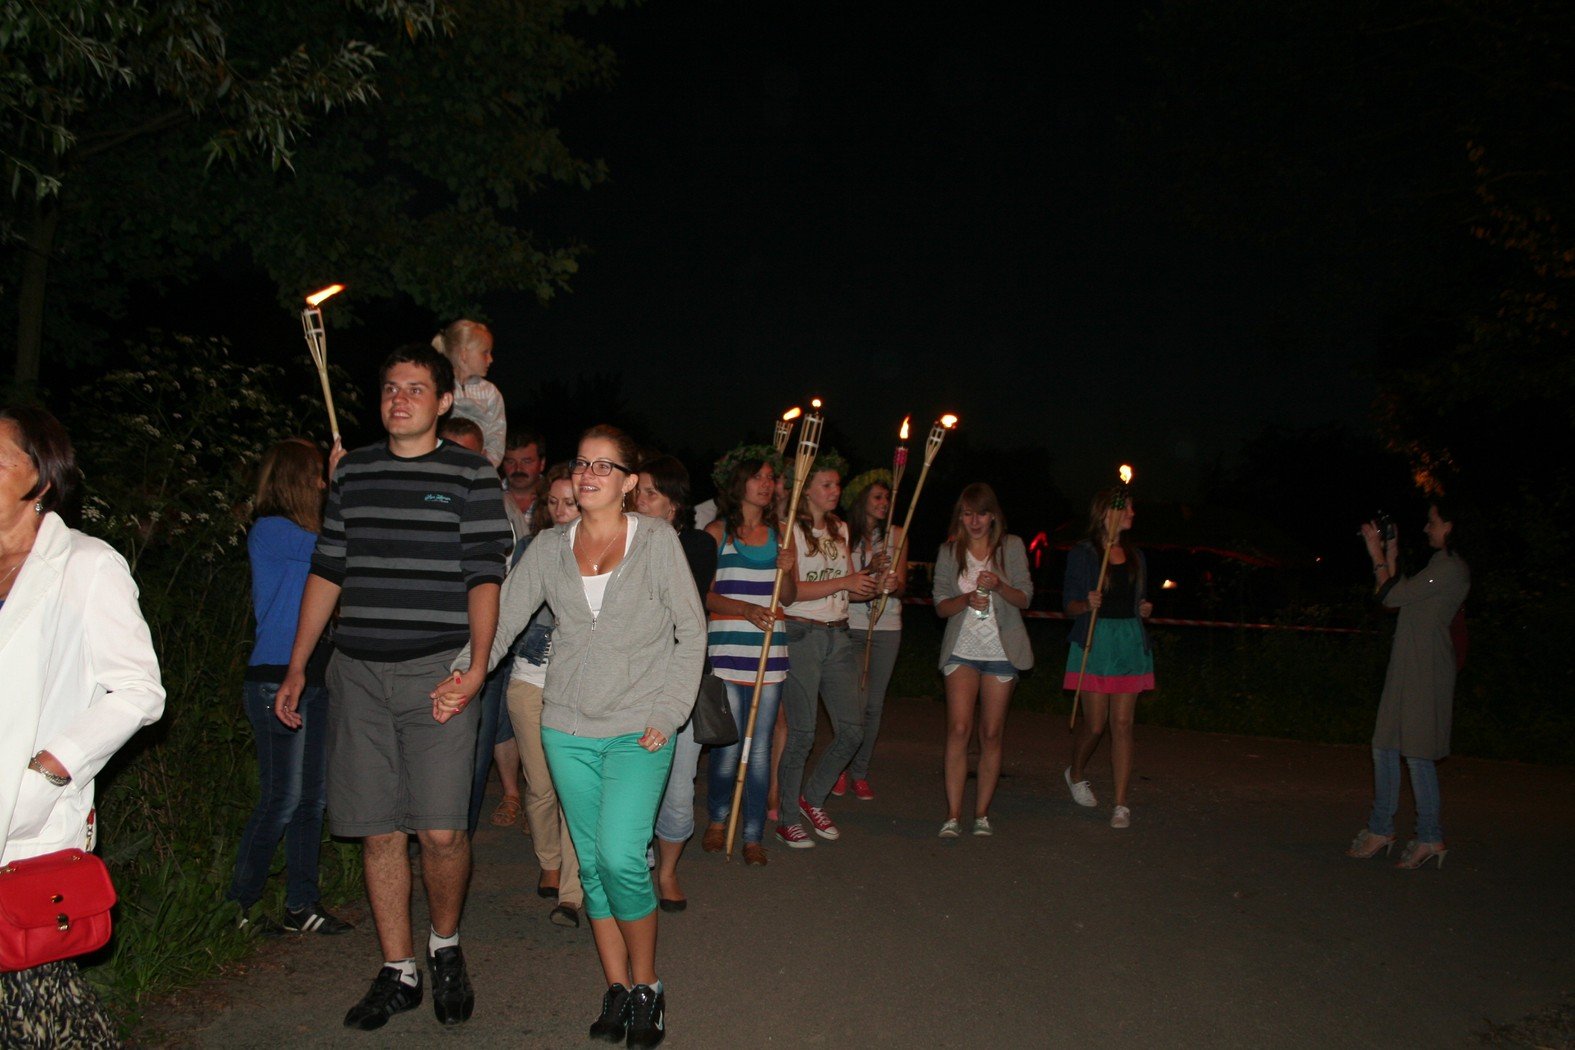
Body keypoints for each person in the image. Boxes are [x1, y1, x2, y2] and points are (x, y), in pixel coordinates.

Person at [274, 344, 513, 1031]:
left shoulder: (470, 474)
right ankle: (398, 969)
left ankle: (445, 947)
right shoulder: (354, 473)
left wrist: (477, 665)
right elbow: (329, 568)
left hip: (437, 671)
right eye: (389, 388)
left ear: (444, 402)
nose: (399, 399)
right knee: (378, 831)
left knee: (440, 831)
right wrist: (298, 663)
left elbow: (484, 575)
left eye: (414, 389)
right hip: (357, 672)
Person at [442, 425, 705, 1047]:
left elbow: (691, 632)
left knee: (620, 858)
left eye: (604, 466)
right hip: (565, 726)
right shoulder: (549, 547)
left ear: (630, 481)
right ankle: (616, 988)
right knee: (590, 863)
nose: (588, 474)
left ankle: (648, 987)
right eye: (583, 463)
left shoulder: (657, 541)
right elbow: (503, 620)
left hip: (640, 727)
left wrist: (668, 712)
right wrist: (464, 673)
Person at [0, 404, 165, 1046]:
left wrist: (47, 773)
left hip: (25, 830)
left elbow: (139, 691)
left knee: (38, 1018)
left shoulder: (85, 565)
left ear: (40, 480)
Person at [226, 438, 353, 936]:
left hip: (314, 673)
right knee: (281, 797)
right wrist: (341, 491)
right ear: (299, 481)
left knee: (311, 801)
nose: (322, 484)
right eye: (318, 477)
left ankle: (301, 904)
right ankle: (238, 905)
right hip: (276, 676)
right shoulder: (272, 530)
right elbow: (334, 550)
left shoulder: (306, 532)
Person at [1347, 501, 1470, 869]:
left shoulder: (1450, 568)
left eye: (1433, 522)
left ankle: (1430, 836)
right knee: (1384, 745)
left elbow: (1392, 595)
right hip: (1407, 667)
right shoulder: (1437, 566)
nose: (1427, 528)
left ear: (1450, 526)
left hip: (1425, 671)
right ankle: (1381, 829)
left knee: (1417, 754)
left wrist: (1375, 552)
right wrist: (1391, 552)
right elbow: (1393, 597)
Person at [774, 451, 879, 848]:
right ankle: (787, 818)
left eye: (837, 484)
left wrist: (871, 583)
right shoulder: (790, 530)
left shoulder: (840, 528)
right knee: (802, 734)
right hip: (802, 633)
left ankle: (812, 797)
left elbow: (848, 587)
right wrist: (846, 582)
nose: (836, 491)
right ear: (807, 491)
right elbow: (791, 594)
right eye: (827, 485)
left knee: (852, 731)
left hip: (839, 635)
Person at [700, 447, 793, 867]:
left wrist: (786, 569)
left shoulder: (782, 535)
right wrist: (744, 609)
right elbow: (702, 593)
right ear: (739, 484)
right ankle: (718, 819)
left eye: (771, 478)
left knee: (758, 750)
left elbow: (788, 596)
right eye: (758, 476)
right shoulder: (718, 533)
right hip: (727, 654)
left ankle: (753, 835)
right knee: (727, 745)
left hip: (768, 657)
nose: (766, 484)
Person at [506, 463, 586, 927]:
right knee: (540, 785)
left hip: (580, 687)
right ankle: (549, 862)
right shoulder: (531, 549)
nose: (560, 511)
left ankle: (572, 894)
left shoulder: (607, 554)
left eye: (569, 503)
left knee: (575, 790)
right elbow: (509, 614)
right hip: (531, 680)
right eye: (552, 502)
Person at [933, 483, 1033, 838]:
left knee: (991, 733)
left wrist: (999, 586)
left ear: (993, 516)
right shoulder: (949, 551)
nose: (974, 521)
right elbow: (940, 605)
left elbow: (1025, 598)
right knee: (959, 728)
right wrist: (965, 599)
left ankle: (981, 814)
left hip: (1001, 652)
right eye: (967, 514)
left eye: (981, 514)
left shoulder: (1012, 546)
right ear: (960, 517)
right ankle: (952, 815)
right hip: (962, 649)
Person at [641, 454, 719, 904]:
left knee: (677, 783)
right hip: (632, 682)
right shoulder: (618, 541)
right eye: (637, 492)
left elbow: (676, 605)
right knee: (636, 785)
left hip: (681, 681)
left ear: (673, 503)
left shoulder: (697, 545)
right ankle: (637, 863)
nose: (639, 500)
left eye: (650, 493)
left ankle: (668, 871)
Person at [440, 419, 523, 835]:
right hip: (425, 647)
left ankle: (460, 840)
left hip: (481, 648)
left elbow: (506, 588)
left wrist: (482, 657)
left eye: (468, 454)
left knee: (473, 752)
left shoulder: (497, 509)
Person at [1062, 487, 1153, 830]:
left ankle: (1121, 804)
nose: (1132, 513)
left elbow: (1138, 599)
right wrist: (1086, 603)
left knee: (1123, 724)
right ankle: (1076, 773)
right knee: (1096, 725)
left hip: (1128, 641)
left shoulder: (1136, 556)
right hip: (1095, 641)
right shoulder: (1084, 554)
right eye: (1125, 507)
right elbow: (1069, 606)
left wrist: (1144, 608)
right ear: (1105, 513)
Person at [836, 470, 906, 801]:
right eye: (877, 497)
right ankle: (838, 766)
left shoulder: (897, 535)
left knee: (874, 705)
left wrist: (893, 583)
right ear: (861, 499)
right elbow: (843, 585)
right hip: (850, 624)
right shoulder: (842, 534)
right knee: (853, 702)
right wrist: (870, 569)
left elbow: (901, 585)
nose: (884, 503)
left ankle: (860, 772)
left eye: (887, 498)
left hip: (886, 627)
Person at [433, 320, 506, 466]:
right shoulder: (438, 387)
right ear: (464, 355)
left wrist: (486, 465)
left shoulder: (490, 392)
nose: (491, 359)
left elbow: (497, 434)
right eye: (485, 353)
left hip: (476, 466)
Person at [502, 429, 547, 527]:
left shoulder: (555, 498)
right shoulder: (489, 495)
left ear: (542, 464)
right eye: (510, 461)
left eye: (526, 461)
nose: (518, 469)